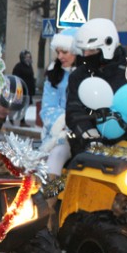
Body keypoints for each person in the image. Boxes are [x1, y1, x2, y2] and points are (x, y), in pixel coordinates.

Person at [66, 18, 127, 156]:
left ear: (108, 46)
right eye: (84, 51)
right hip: (92, 150)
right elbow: (73, 112)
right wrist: (90, 137)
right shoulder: (79, 76)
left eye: (91, 51)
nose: (86, 56)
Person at [40, 28, 79, 177]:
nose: (60, 56)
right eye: (58, 52)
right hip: (59, 135)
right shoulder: (54, 74)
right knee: (55, 156)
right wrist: (63, 124)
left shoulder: (87, 74)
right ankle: (48, 196)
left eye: (64, 52)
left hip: (84, 134)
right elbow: (48, 107)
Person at [11, 49, 36, 127]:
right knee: (18, 105)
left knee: (25, 105)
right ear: (22, 57)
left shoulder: (29, 66)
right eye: (26, 57)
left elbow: (31, 78)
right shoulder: (18, 66)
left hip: (29, 90)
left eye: (29, 56)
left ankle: (22, 121)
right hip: (21, 90)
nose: (28, 58)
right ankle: (11, 117)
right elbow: (15, 78)